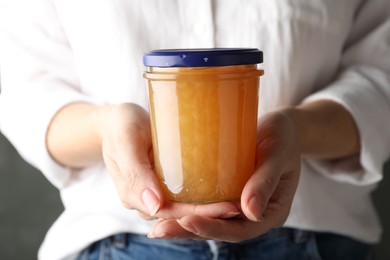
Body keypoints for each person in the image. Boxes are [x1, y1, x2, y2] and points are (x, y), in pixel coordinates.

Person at [0, 0, 389, 259]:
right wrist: (107, 127)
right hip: (119, 243)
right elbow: (27, 94)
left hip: (312, 241)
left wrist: (297, 129)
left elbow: (381, 78)